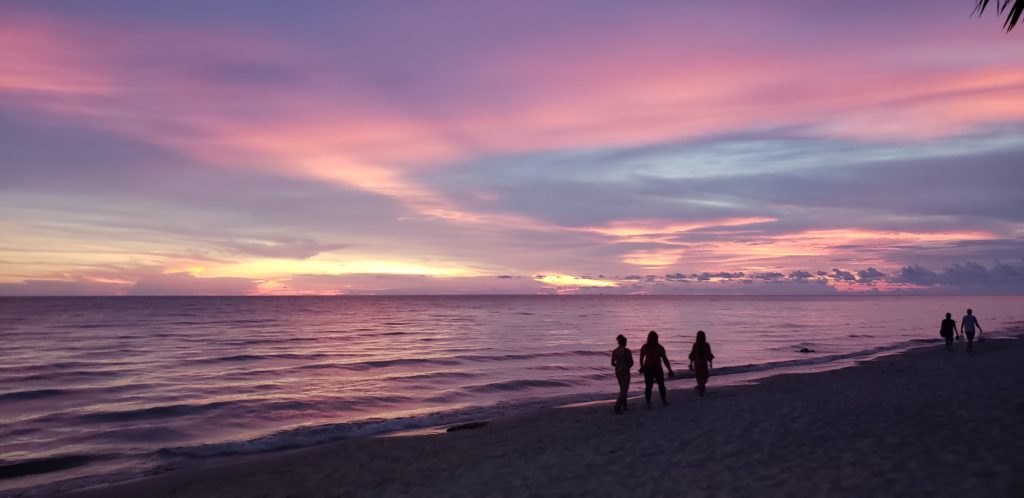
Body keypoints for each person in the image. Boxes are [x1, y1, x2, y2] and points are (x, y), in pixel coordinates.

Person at [639, 330, 673, 408]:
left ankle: (648, 403)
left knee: (649, 386)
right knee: (661, 385)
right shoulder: (659, 347)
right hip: (656, 368)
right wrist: (669, 370)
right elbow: (665, 360)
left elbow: (641, 358)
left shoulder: (645, 347)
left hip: (648, 368)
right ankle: (663, 400)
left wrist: (641, 366)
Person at [610, 335, 634, 414]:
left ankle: (625, 405)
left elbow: (612, 363)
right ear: (624, 342)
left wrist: (618, 365)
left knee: (622, 387)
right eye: (626, 342)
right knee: (624, 389)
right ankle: (618, 406)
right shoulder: (626, 351)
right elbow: (631, 362)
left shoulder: (615, 351)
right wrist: (627, 366)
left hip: (618, 371)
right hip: (625, 371)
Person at [688, 330, 715, 396]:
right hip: (703, 363)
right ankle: (700, 388)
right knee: (705, 377)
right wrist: (711, 363)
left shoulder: (695, 345)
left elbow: (692, 355)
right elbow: (709, 354)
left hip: (697, 363)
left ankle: (700, 389)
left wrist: (691, 363)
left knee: (699, 377)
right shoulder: (706, 345)